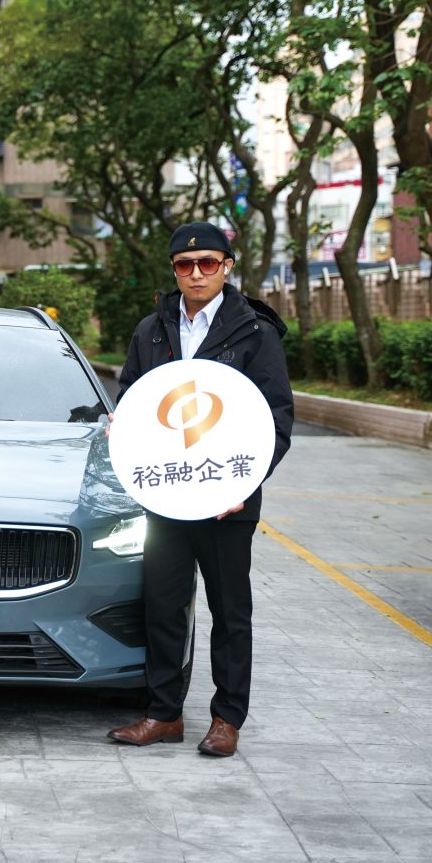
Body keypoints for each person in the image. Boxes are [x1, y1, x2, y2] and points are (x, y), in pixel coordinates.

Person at [106, 221, 293, 757]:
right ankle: (164, 713)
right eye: (184, 265)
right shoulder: (153, 329)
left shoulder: (254, 331)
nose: (195, 273)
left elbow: (276, 419)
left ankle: (226, 719)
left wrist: (246, 483)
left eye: (207, 263)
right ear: (174, 271)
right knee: (163, 607)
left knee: (230, 612)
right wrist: (122, 428)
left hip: (226, 500)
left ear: (227, 267)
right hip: (166, 497)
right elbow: (133, 398)